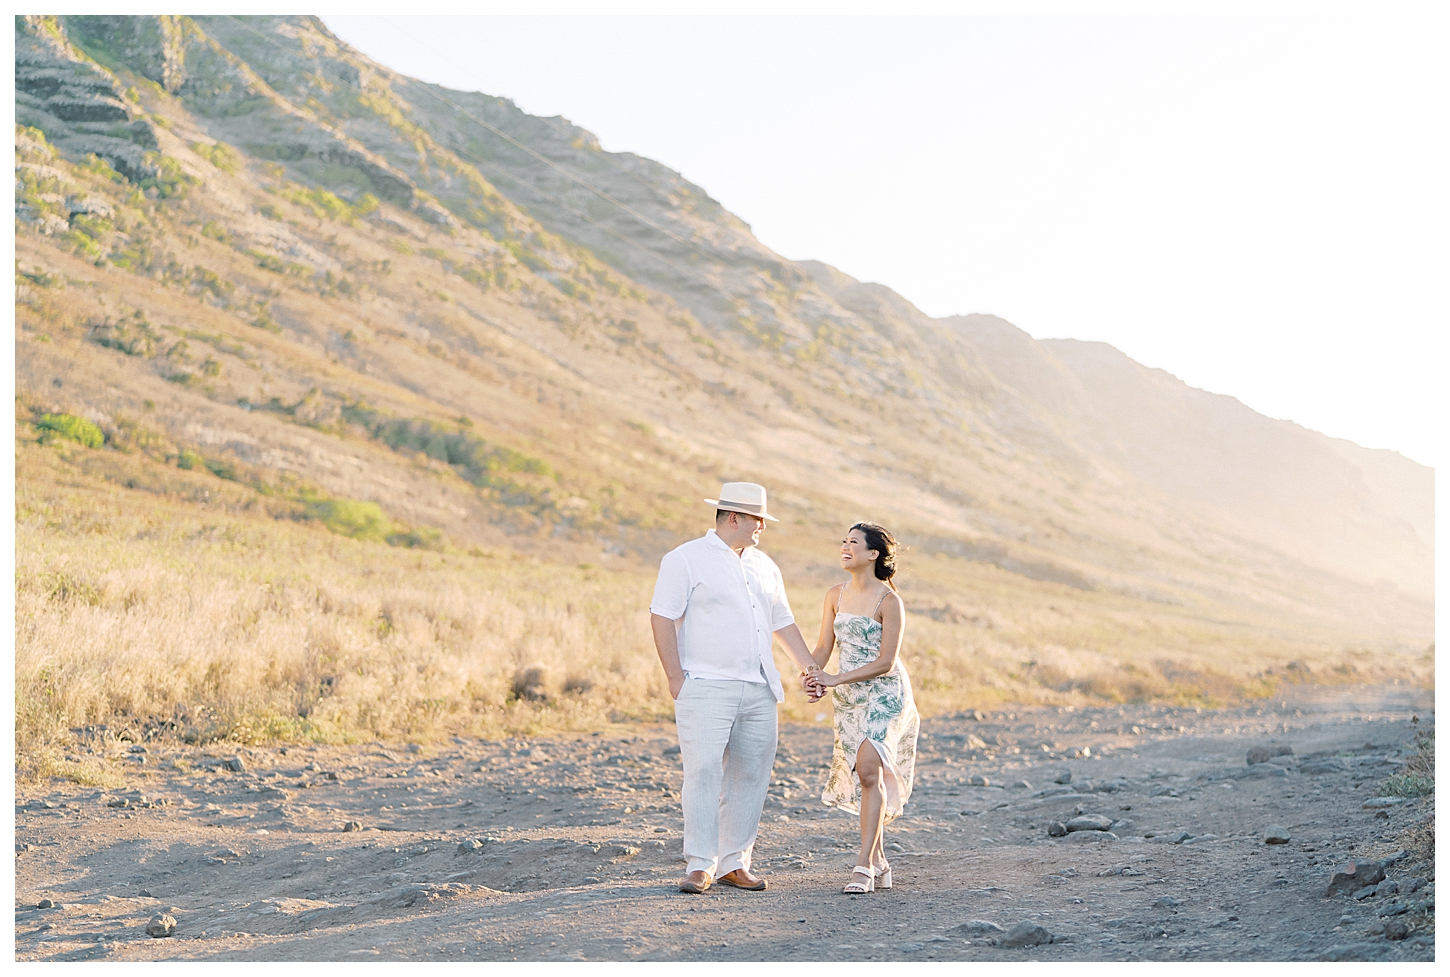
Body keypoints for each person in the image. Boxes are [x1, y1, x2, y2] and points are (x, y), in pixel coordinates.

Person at [649, 482, 820, 894]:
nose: (763, 526)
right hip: (705, 685)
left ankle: (733, 863)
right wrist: (676, 679)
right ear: (734, 518)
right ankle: (699, 864)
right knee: (703, 772)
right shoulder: (685, 559)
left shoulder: (765, 566)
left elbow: (782, 622)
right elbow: (661, 617)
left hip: (760, 688)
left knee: (751, 775)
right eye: (758, 519)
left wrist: (809, 668)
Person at [803, 522, 920, 894]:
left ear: (873, 554)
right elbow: (823, 647)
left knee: (869, 767)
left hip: (886, 694)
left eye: (853, 542)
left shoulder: (889, 601)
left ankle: (863, 866)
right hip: (850, 698)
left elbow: (887, 661)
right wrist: (814, 674)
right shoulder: (834, 595)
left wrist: (836, 678)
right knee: (866, 777)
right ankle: (882, 861)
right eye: (843, 541)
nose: (844, 546)